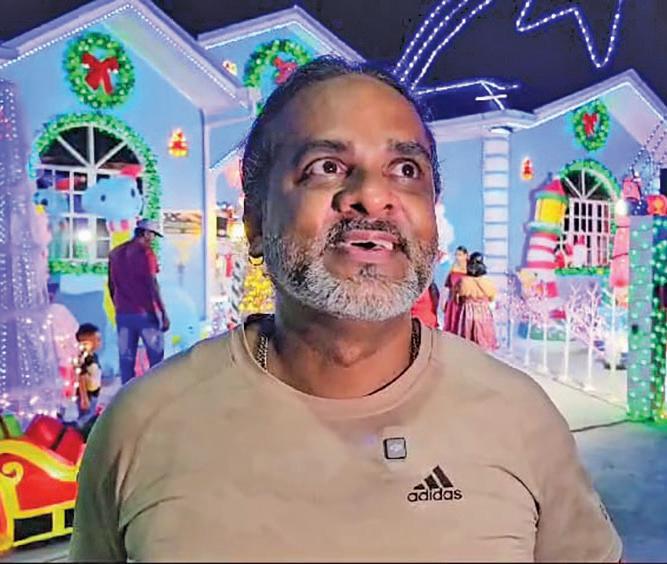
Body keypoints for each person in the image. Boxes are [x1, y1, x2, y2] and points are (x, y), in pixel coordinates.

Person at [71, 57, 622, 562]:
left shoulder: (519, 417)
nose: (373, 196)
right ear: (256, 222)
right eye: (326, 166)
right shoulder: (141, 428)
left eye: (405, 170)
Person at [107, 218, 169, 385]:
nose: (153, 239)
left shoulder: (116, 253)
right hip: (146, 313)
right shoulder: (146, 254)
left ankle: (127, 395)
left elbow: (111, 285)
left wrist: (118, 305)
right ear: (146, 233)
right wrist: (163, 313)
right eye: (153, 235)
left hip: (123, 314)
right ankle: (156, 393)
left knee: (126, 359)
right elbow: (152, 284)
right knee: (156, 359)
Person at [456, 252, 498, 351]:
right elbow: (492, 298)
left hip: (468, 312)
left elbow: (457, 299)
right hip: (483, 312)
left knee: (467, 339)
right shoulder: (488, 282)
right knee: (484, 339)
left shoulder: (463, 281)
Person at [73, 323, 102, 437]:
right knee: (85, 418)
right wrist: (84, 397)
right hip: (87, 395)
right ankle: (77, 434)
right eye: (96, 340)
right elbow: (81, 377)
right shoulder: (84, 359)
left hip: (93, 393)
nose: (99, 343)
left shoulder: (93, 357)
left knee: (90, 415)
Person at [442, 245, 468, 333]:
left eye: (460, 255)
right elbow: (447, 286)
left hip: (464, 303)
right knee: (452, 326)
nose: (457, 257)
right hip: (452, 302)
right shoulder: (453, 270)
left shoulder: (469, 271)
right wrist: (443, 302)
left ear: (465, 256)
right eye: (456, 255)